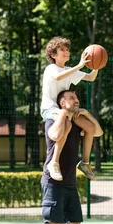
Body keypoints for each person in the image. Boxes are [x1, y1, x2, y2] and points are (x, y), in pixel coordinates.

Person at [33, 89, 103, 224]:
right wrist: (63, 115)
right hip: (53, 180)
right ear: (62, 103)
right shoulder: (54, 120)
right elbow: (55, 135)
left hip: (70, 181)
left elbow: (96, 131)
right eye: (71, 97)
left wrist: (87, 114)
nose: (76, 99)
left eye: (76, 97)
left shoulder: (77, 120)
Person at [41, 36, 102, 181]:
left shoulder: (70, 70)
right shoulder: (51, 69)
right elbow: (57, 77)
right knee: (67, 123)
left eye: (67, 49)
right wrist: (79, 65)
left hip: (66, 110)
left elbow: (90, 77)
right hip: (51, 110)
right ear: (53, 55)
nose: (66, 51)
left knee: (89, 127)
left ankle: (85, 163)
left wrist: (97, 65)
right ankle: (54, 162)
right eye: (61, 49)